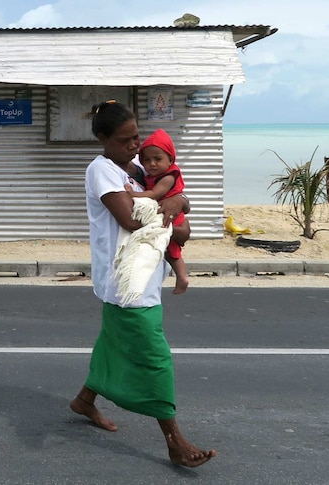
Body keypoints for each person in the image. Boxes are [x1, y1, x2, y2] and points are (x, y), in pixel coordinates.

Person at [69, 99, 217, 468]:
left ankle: (85, 400)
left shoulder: (135, 169)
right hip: (126, 283)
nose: (135, 146)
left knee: (113, 344)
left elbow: (178, 201)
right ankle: (174, 439)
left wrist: (179, 200)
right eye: (125, 140)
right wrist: (174, 216)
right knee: (154, 358)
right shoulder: (101, 170)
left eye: (136, 137)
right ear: (103, 138)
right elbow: (132, 221)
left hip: (146, 275)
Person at [127, 128, 189, 294]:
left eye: (157, 159)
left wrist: (134, 194)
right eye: (146, 160)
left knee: (173, 249)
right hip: (166, 211)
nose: (152, 164)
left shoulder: (168, 177)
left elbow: (155, 193)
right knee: (168, 249)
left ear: (170, 160)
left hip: (172, 215)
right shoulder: (153, 174)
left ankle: (182, 277)